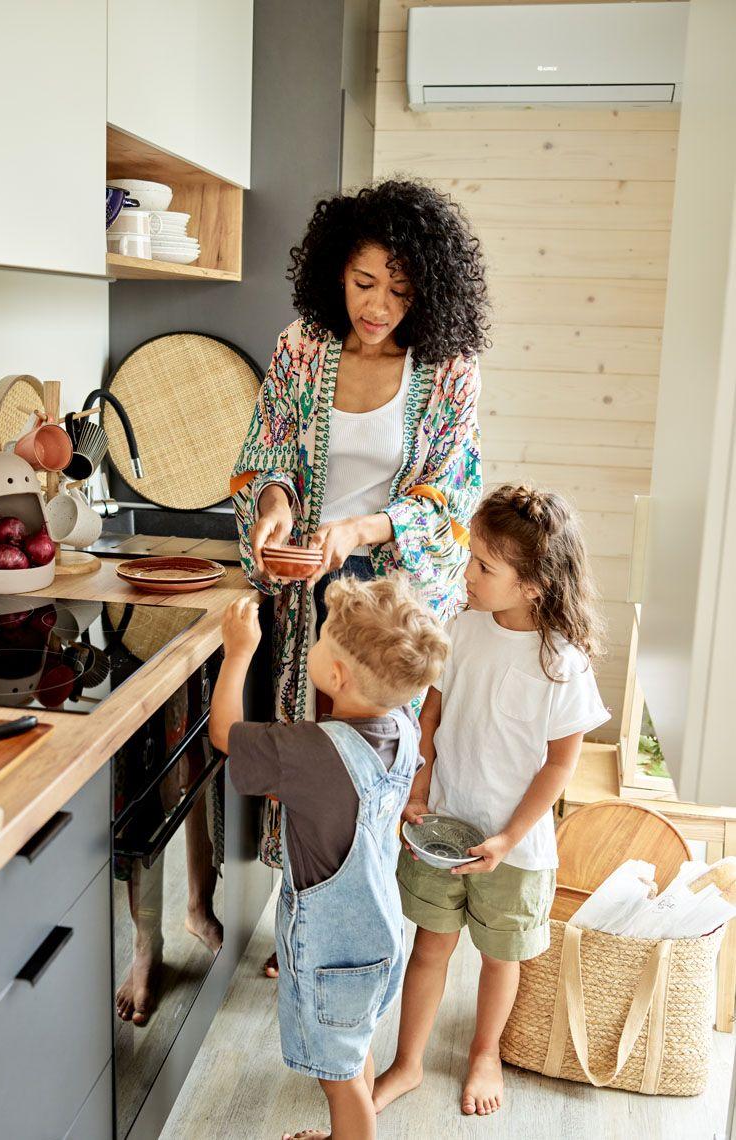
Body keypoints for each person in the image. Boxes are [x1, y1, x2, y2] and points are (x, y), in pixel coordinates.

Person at [230, 179, 488, 976]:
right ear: (334, 270)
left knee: (373, 765)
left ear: (429, 291)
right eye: (363, 282)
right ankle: (300, 917)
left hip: (387, 608)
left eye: (401, 290)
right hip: (305, 587)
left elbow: (450, 494)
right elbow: (267, 447)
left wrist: (363, 530)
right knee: (305, 752)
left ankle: (366, 920)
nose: (377, 306)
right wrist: (275, 507)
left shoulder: (448, 370)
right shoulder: (302, 346)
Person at [372, 485, 610, 1119]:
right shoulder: (463, 627)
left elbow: (561, 763)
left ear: (532, 584)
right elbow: (432, 711)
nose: (466, 574)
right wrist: (420, 786)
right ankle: (407, 1061)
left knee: (501, 959)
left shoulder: (562, 664)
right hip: (443, 826)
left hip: (516, 848)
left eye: (483, 566)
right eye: (470, 558)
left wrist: (507, 839)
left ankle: (485, 1053)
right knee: (429, 945)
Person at [209, 576, 449, 1140]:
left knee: (339, 1084)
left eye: (318, 642)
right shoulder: (403, 726)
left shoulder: (311, 752)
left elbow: (224, 733)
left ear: (335, 675)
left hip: (331, 953)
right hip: (377, 935)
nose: (312, 647)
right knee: (351, 1053)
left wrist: (239, 650)